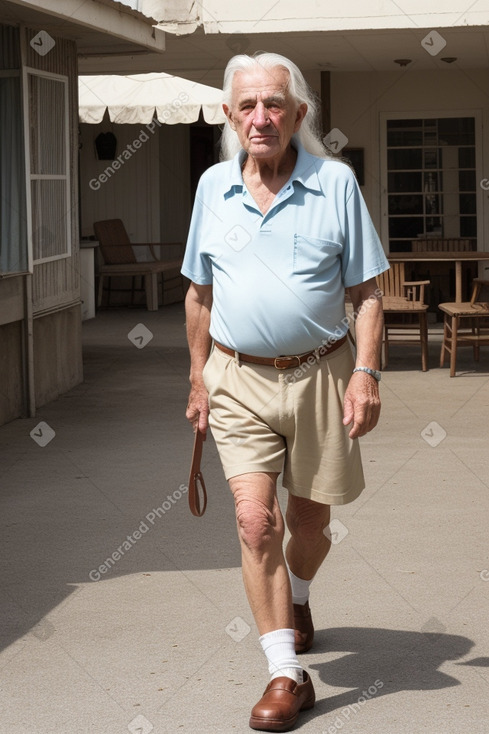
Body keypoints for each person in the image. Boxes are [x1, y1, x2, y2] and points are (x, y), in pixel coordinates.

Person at [182, 51, 389, 732]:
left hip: (321, 374)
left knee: (309, 525)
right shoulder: (213, 188)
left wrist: (365, 372)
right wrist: (196, 378)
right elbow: (198, 293)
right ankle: (283, 673)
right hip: (236, 377)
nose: (261, 117)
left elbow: (364, 294)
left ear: (298, 113)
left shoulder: (334, 183)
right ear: (229, 115)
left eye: (274, 104)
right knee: (253, 522)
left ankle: (297, 595)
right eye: (248, 105)